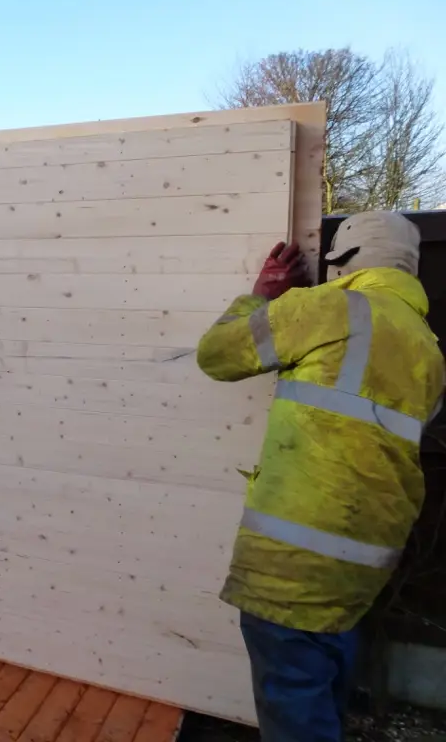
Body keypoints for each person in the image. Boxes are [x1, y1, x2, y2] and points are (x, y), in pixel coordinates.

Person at [196, 211, 445, 741]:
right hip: (365, 560)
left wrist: (262, 297)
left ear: (345, 262)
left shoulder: (330, 308)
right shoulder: (428, 347)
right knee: (321, 689)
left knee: (293, 710)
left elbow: (217, 356)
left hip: (295, 559)